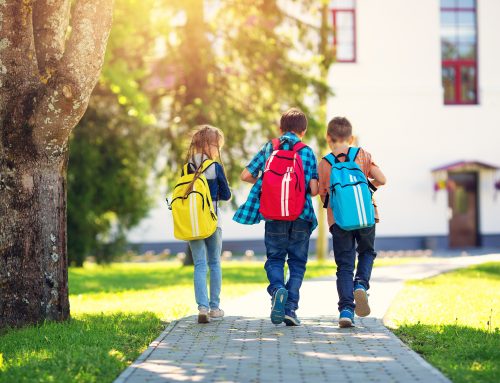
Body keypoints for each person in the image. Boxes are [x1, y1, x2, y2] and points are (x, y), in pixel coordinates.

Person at [235, 108, 319, 326]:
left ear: (280, 128)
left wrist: (270, 184)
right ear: (304, 130)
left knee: (275, 259)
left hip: (274, 214)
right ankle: (290, 308)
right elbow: (314, 188)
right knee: (297, 263)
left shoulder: (269, 147)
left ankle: (277, 290)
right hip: (301, 215)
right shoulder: (307, 151)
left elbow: (245, 175)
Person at [318, 117, 386, 328]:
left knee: (344, 265)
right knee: (367, 253)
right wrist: (367, 188)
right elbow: (382, 179)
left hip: (339, 221)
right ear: (352, 137)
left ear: (328, 138)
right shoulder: (363, 155)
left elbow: (323, 196)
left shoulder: (325, 163)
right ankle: (362, 285)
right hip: (366, 216)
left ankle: (346, 310)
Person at [185, 125, 231, 323]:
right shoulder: (215, 167)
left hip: (192, 223)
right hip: (212, 221)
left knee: (199, 264)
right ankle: (214, 307)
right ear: (210, 146)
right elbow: (227, 195)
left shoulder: (187, 167)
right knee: (214, 262)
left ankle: (202, 308)